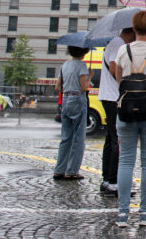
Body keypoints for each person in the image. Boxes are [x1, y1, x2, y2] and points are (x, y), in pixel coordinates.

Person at [110, 10, 146, 227]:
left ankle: (122, 213)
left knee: (125, 161)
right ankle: (144, 213)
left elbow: (118, 79)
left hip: (125, 111)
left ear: (133, 29)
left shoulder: (123, 50)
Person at [98, 28, 136, 197]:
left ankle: (107, 179)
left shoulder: (114, 44)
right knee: (117, 140)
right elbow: (114, 68)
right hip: (114, 97)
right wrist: (127, 82)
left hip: (108, 96)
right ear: (131, 33)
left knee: (111, 138)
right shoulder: (118, 44)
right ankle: (113, 182)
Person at [53, 46, 91, 181]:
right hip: (78, 99)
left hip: (66, 99)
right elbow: (84, 87)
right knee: (78, 138)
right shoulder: (81, 65)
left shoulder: (65, 65)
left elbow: (58, 87)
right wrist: (89, 76)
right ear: (83, 52)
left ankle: (59, 169)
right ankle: (72, 170)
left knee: (66, 137)